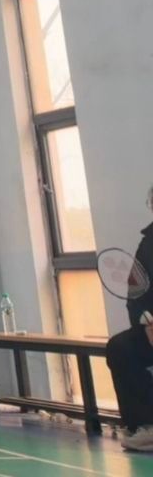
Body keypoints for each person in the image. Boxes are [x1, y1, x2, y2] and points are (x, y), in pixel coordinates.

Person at [106, 187, 153, 452]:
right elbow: (135, 293)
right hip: (151, 329)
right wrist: (145, 321)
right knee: (120, 347)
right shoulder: (148, 244)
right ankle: (145, 426)